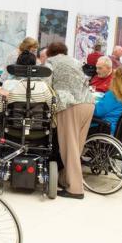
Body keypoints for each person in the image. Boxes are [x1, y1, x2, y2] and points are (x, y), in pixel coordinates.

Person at [45, 42, 95, 200]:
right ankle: (66, 179)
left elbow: (46, 86)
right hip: (88, 103)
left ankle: (75, 189)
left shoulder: (51, 63)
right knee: (77, 146)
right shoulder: (75, 61)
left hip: (69, 104)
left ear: (50, 52)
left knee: (69, 147)